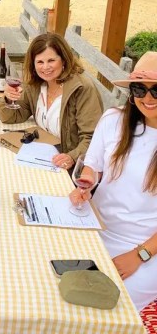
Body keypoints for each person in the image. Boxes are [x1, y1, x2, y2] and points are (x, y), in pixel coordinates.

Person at [69, 51, 157, 312]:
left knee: (108, 304)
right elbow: (92, 166)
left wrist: (140, 255)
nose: (147, 98)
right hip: (94, 226)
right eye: (140, 89)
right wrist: (84, 184)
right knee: (58, 285)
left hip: (145, 245)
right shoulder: (113, 120)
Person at [0, 33, 103, 169]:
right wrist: (8, 99)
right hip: (42, 154)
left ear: (64, 60)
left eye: (51, 61)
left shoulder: (82, 88)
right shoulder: (35, 84)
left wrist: (72, 156)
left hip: (71, 165)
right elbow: (11, 117)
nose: (45, 67)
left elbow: (93, 137)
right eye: (40, 62)